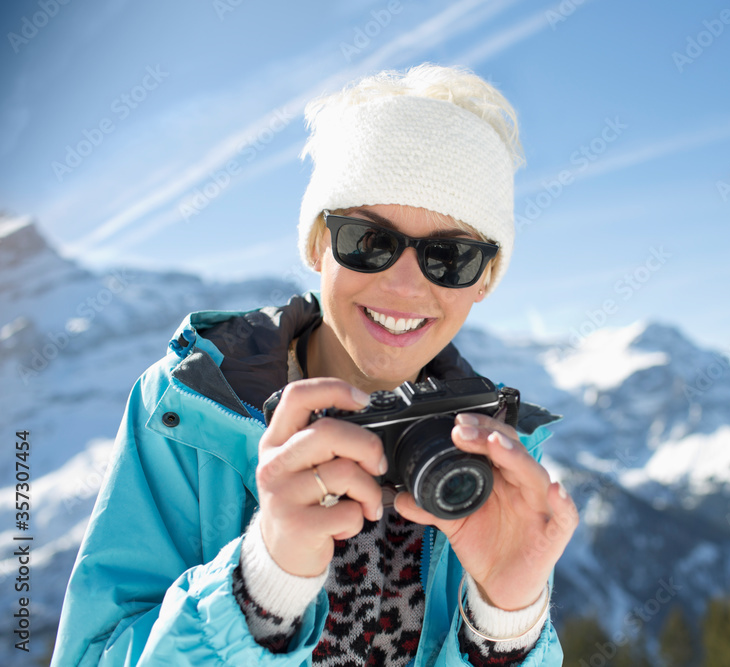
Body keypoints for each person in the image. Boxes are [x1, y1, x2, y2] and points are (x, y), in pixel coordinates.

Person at [51, 64, 577, 666]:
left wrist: (504, 630)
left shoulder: (496, 454)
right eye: (369, 241)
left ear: (483, 280)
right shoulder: (188, 408)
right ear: (316, 244)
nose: (404, 286)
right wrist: (259, 589)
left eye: (450, 256)